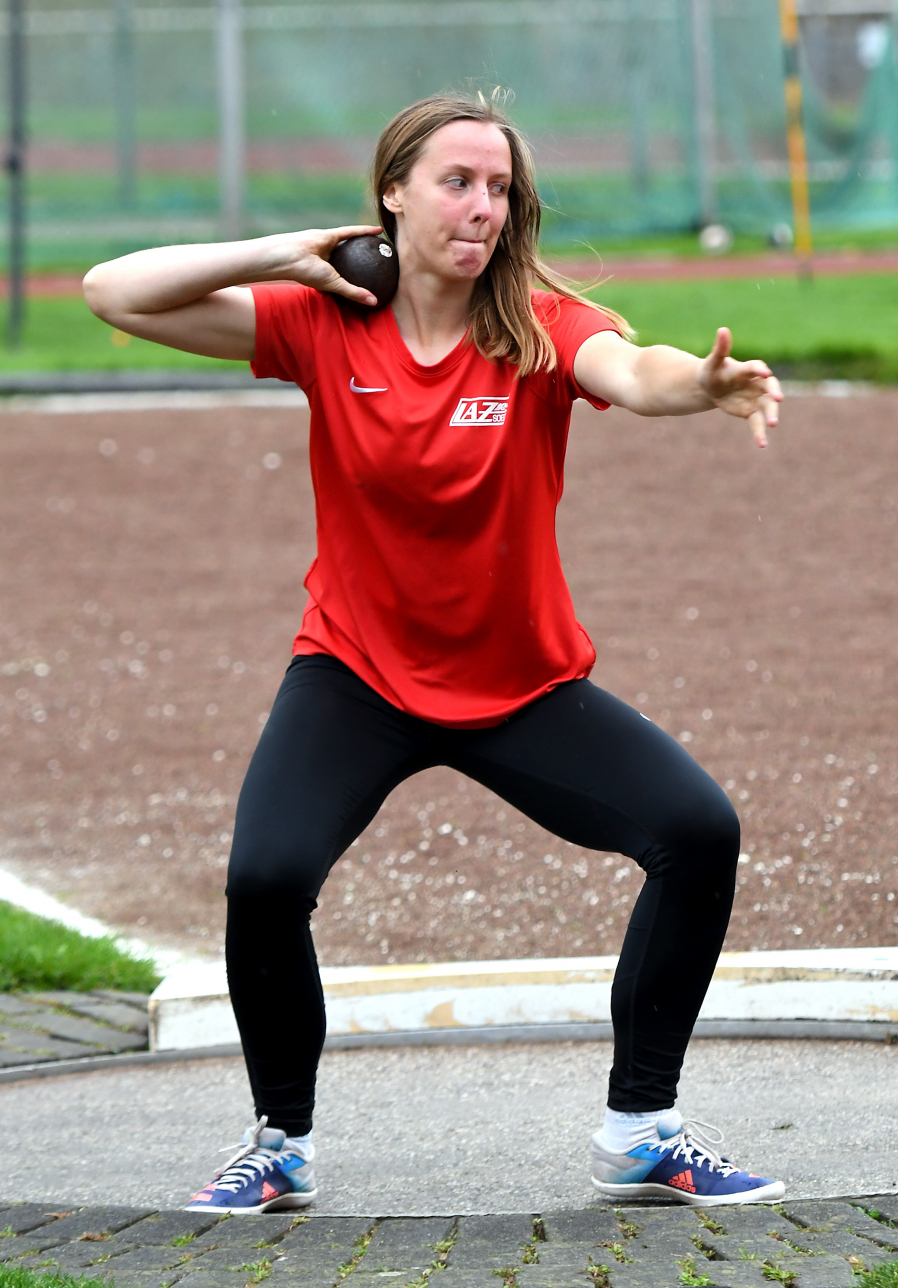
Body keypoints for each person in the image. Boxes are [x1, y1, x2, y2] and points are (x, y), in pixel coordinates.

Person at [83, 90, 785, 1212]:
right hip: (355, 674)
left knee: (697, 830)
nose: (483, 207)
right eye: (457, 182)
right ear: (393, 196)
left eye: (500, 187)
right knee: (265, 878)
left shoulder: (541, 325)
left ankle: (641, 1127)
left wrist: (696, 387)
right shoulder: (322, 322)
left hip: (520, 685)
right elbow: (110, 292)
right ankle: (281, 1140)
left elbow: (634, 369)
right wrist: (288, 253)